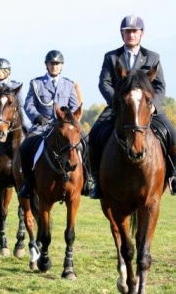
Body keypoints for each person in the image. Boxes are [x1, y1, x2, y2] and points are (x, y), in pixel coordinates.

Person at [89, 14, 176, 199]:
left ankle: (174, 176)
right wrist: (117, 103)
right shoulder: (111, 57)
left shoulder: (153, 57)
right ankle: (96, 180)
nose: (131, 34)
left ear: (141, 34)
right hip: (118, 107)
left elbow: (160, 86)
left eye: (134, 31)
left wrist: (154, 106)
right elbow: (104, 83)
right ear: (122, 34)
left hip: (147, 108)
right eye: (127, 31)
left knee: (173, 133)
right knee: (94, 135)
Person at [17, 50, 87, 199]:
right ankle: (28, 183)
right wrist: (36, 117)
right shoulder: (36, 83)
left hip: (65, 126)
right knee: (25, 147)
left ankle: (88, 180)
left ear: (61, 66)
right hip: (43, 125)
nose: (54, 66)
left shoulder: (68, 84)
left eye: (57, 64)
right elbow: (29, 104)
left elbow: (75, 107)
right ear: (46, 65)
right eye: (51, 63)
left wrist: (70, 119)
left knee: (86, 142)